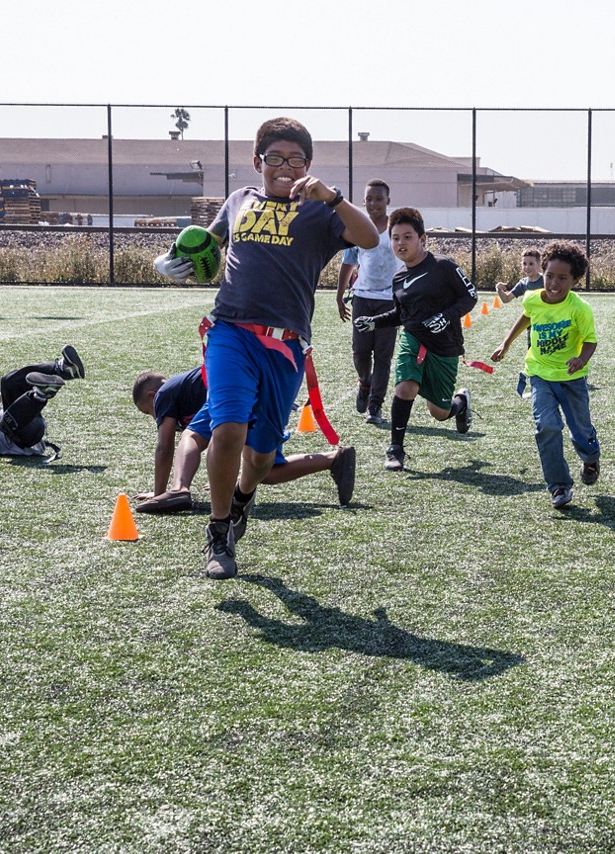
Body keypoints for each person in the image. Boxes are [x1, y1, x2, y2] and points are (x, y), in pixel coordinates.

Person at [152, 116, 378, 580]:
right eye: (274, 158)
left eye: (295, 159)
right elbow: (204, 246)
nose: (285, 167)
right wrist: (168, 260)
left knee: (258, 459)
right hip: (230, 330)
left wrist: (331, 196)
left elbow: (370, 237)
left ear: (309, 165)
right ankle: (218, 533)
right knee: (227, 428)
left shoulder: (321, 210)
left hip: (285, 346)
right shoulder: (238, 201)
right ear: (258, 162)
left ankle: (239, 505)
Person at [353, 206, 478, 472]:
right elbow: (401, 316)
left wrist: (446, 316)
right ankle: (395, 448)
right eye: (395, 238)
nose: (400, 243)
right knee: (405, 386)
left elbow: (470, 297)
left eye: (407, 236)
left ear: (423, 239)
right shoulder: (398, 278)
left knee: (439, 413)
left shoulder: (444, 266)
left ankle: (461, 403)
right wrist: (374, 323)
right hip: (413, 339)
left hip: (445, 347)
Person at [131, 368, 355, 512]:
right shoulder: (187, 394)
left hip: (235, 384)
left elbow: (164, 446)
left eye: (148, 412)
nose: (155, 417)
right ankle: (334, 459)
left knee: (191, 436)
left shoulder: (163, 394)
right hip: (267, 389)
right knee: (265, 472)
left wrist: (158, 493)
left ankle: (179, 489)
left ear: (152, 396)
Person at [490, 240, 599, 509]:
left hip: (572, 379)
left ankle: (591, 457)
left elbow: (590, 340)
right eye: (550, 276)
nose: (553, 283)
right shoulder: (532, 298)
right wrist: (506, 343)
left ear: (575, 280)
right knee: (546, 426)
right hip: (539, 374)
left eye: (563, 278)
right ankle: (559, 485)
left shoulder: (579, 308)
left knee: (581, 432)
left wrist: (580, 359)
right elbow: (526, 316)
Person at [336, 179, 401, 424]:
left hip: (390, 302)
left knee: (383, 357)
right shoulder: (357, 227)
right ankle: (364, 382)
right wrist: (340, 295)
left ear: (388, 201)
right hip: (362, 299)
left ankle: (376, 407)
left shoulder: (396, 228)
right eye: (369, 199)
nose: (373, 203)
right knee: (361, 353)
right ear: (364, 202)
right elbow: (348, 262)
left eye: (379, 199)